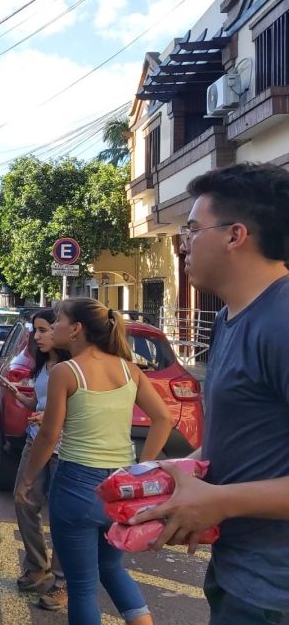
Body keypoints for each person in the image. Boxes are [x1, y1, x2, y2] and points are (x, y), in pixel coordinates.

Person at [131, 163, 289, 624]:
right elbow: (243, 440)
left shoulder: (282, 323)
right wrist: (180, 474)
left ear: (235, 235)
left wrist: (217, 502)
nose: (183, 243)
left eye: (193, 229)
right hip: (239, 573)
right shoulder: (227, 319)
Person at [15, 298, 172, 625]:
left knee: (83, 587)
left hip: (76, 485)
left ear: (76, 329)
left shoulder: (66, 371)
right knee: (111, 568)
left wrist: (28, 480)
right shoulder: (129, 370)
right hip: (119, 487)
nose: (53, 327)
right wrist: (142, 469)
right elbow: (163, 419)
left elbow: (49, 435)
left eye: (58, 321)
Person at [12, 309, 69, 611]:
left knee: (61, 516)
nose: (37, 336)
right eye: (36, 330)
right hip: (36, 440)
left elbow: (77, 409)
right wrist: (26, 400)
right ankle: (37, 567)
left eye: (44, 330)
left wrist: (50, 417)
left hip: (63, 448)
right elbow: (43, 401)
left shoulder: (72, 368)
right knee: (23, 500)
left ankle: (62, 583)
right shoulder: (44, 365)